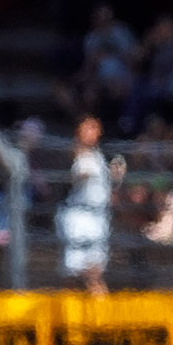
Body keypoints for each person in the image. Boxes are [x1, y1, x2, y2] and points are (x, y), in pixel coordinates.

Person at [57, 115, 115, 295]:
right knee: (74, 273)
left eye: (95, 128)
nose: (92, 132)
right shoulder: (73, 153)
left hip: (98, 217)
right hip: (79, 216)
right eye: (88, 128)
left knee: (95, 270)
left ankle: (98, 308)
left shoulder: (99, 156)